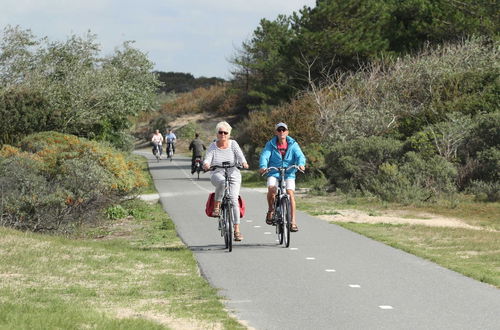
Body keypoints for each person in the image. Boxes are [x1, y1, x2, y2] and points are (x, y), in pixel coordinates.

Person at [203, 121, 249, 241]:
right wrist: (207, 164)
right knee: (222, 182)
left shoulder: (233, 144)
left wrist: (243, 162)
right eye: (220, 132)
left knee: (234, 200)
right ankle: (217, 206)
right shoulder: (213, 146)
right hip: (217, 173)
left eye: (225, 132)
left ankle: (237, 230)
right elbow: (208, 158)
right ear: (217, 134)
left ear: (229, 134)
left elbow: (240, 155)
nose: (223, 134)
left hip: (233, 173)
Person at [259, 122, 306, 232]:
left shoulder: (293, 144)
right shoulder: (270, 144)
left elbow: (300, 155)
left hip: (289, 172)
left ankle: (293, 221)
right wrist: (263, 166)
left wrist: (301, 164)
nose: (281, 132)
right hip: (274, 172)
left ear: (287, 132)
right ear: (276, 132)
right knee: (272, 188)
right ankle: (271, 210)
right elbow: (265, 156)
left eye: (283, 130)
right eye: (279, 130)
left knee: (290, 193)